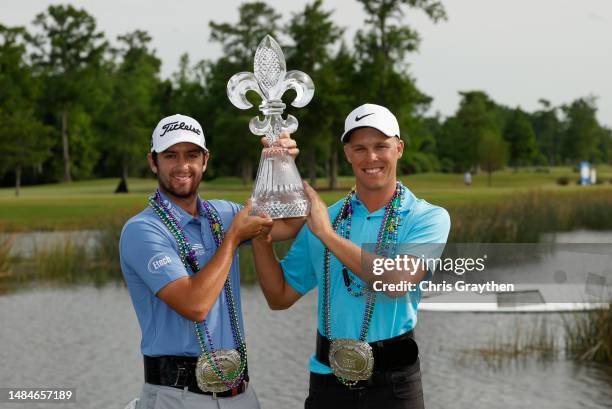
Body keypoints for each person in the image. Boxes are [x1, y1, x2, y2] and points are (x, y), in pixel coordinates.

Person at [251, 104, 451, 409]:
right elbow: (279, 297)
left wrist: (327, 235)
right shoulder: (325, 218)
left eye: (381, 146)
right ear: (347, 153)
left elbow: (397, 281)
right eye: (359, 148)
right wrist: (261, 236)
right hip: (327, 382)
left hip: (394, 386)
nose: (371, 158)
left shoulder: (427, 217)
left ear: (399, 149)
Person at [120, 114, 303, 409]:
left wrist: (282, 164)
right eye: (170, 156)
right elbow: (195, 305)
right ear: (153, 162)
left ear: (205, 160)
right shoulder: (142, 230)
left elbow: (290, 222)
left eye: (192, 155)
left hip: (240, 394)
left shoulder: (222, 215)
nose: (182, 166)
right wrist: (232, 240)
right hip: (175, 395)